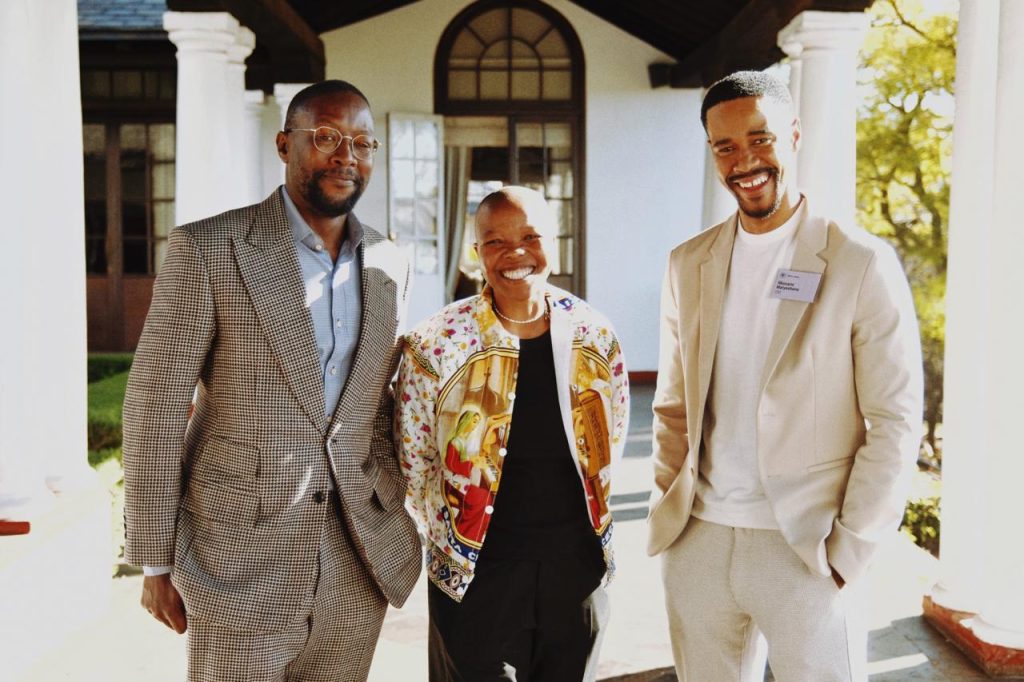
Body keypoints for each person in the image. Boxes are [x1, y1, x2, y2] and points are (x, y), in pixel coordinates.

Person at [122, 80, 421, 682]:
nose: (346, 156)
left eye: (362, 143)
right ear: (285, 144)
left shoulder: (390, 261)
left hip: (355, 559)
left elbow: (376, 402)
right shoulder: (209, 249)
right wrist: (153, 560)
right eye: (327, 137)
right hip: (234, 560)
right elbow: (156, 406)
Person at [648, 70, 923, 681]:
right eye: (725, 147)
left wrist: (850, 549)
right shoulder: (688, 262)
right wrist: (672, 513)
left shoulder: (860, 262)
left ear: (794, 135)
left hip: (806, 548)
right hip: (700, 542)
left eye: (760, 139)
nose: (744, 161)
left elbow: (895, 420)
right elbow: (673, 404)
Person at [396, 186, 630, 681]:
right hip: (477, 573)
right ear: (476, 252)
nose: (515, 253)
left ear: (553, 243)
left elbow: (612, 433)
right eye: (496, 241)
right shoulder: (436, 344)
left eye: (530, 237)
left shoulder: (594, 334)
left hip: (574, 568)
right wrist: (452, 535)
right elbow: (414, 461)